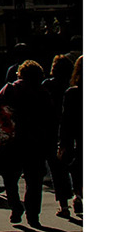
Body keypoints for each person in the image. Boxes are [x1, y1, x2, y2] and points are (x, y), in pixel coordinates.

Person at [0, 59, 58, 227]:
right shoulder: (43, 93)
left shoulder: (9, 90)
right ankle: (33, 216)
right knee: (34, 181)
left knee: (10, 179)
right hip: (35, 143)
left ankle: (15, 206)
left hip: (11, 142)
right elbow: (52, 120)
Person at [45, 54, 76, 216]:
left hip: (51, 132)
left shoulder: (48, 86)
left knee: (58, 170)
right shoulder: (72, 87)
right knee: (77, 166)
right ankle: (78, 196)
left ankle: (64, 205)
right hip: (73, 130)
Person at [57, 55, 83, 218]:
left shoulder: (72, 93)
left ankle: (78, 195)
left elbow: (66, 120)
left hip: (77, 134)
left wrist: (63, 142)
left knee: (77, 166)